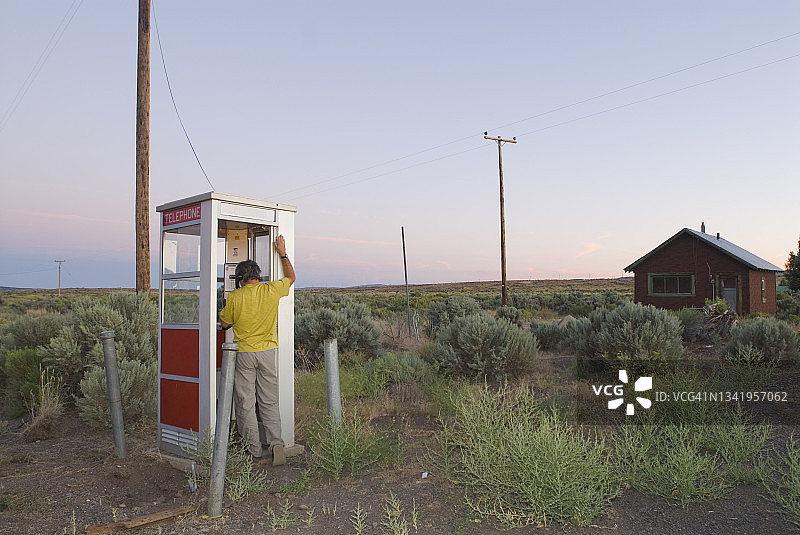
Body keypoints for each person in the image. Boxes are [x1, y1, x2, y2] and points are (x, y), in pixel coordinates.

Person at [219, 235, 295, 466]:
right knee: (269, 401)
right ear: (258, 276)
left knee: (246, 402)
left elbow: (224, 323)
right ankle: (276, 443)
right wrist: (282, 252)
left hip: (244, 354)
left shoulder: (235, 297)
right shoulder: (271, 290)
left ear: (241, 279)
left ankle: (253, 449)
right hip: (267, 351)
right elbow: (291, 277)